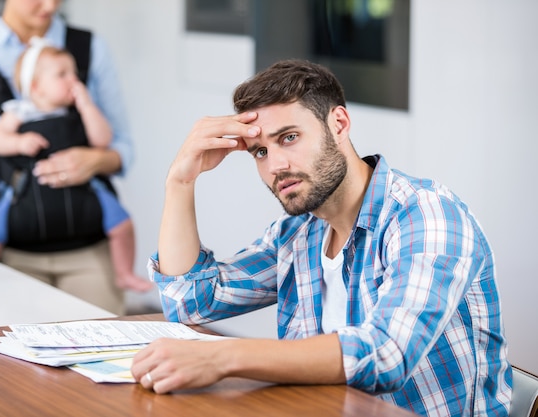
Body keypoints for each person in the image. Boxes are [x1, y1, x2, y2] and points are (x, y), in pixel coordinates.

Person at [130, 59, 512, 416]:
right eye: (261, 151)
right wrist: (180, 181)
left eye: (290, 137)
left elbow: (387, 353)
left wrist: (222, 357)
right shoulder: (299, 232)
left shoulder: (426, 214)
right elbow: (191, 301)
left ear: (339, 124)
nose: (276, 165)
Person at [0, 0, 138, 315]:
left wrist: (95, 161)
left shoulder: (88, 48)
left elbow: (123, 148)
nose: (50, 5)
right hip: (13, 256)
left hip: (90, 251)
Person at [0, 40, 152, 292]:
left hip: (84, 190)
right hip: (24, 192)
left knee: (122, 225)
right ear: (35, 87)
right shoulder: (20, 111)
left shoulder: (80, 112)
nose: (74, 80)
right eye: (62, 74)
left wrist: (87, 106)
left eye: (74, 73)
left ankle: (123, 273)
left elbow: (103, 140)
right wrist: (18, 142)